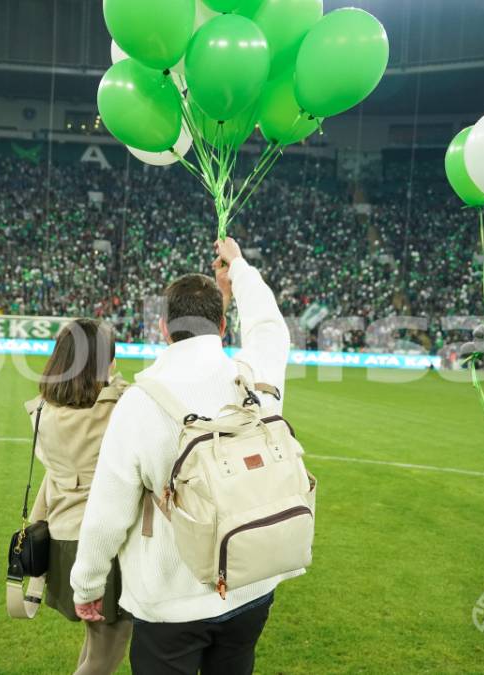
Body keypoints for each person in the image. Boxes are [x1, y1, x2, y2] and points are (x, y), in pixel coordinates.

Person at [71, 237, 293, 674]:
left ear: (163, 329)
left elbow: (107, 511)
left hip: (171, 602)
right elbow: (269, 327)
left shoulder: (141, 401)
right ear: (224, 327)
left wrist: (87, 584)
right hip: (251, 585)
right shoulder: (255, 378)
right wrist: (239, 268)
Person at [23, 319, 132, 675]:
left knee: (96, 643)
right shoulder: (116, 408)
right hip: (104, 541)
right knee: (105, 653)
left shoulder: (43, 410)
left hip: (64, 534)